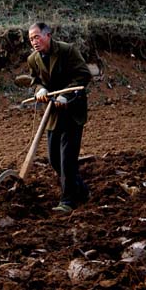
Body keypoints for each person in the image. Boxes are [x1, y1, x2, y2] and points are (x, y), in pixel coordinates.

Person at [27, 22, 92, 214]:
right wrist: (40, 90)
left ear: (48, 35)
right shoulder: (33, 59)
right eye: (31, 39)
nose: (34, 42)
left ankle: (68, 201)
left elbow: (83, 75)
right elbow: (35, 81)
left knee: (67, 159)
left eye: (37, 37)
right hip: (53, 113)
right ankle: (82, 192)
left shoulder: (67, 51)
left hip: (72, 111)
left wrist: (68, 96)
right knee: (55, 159)